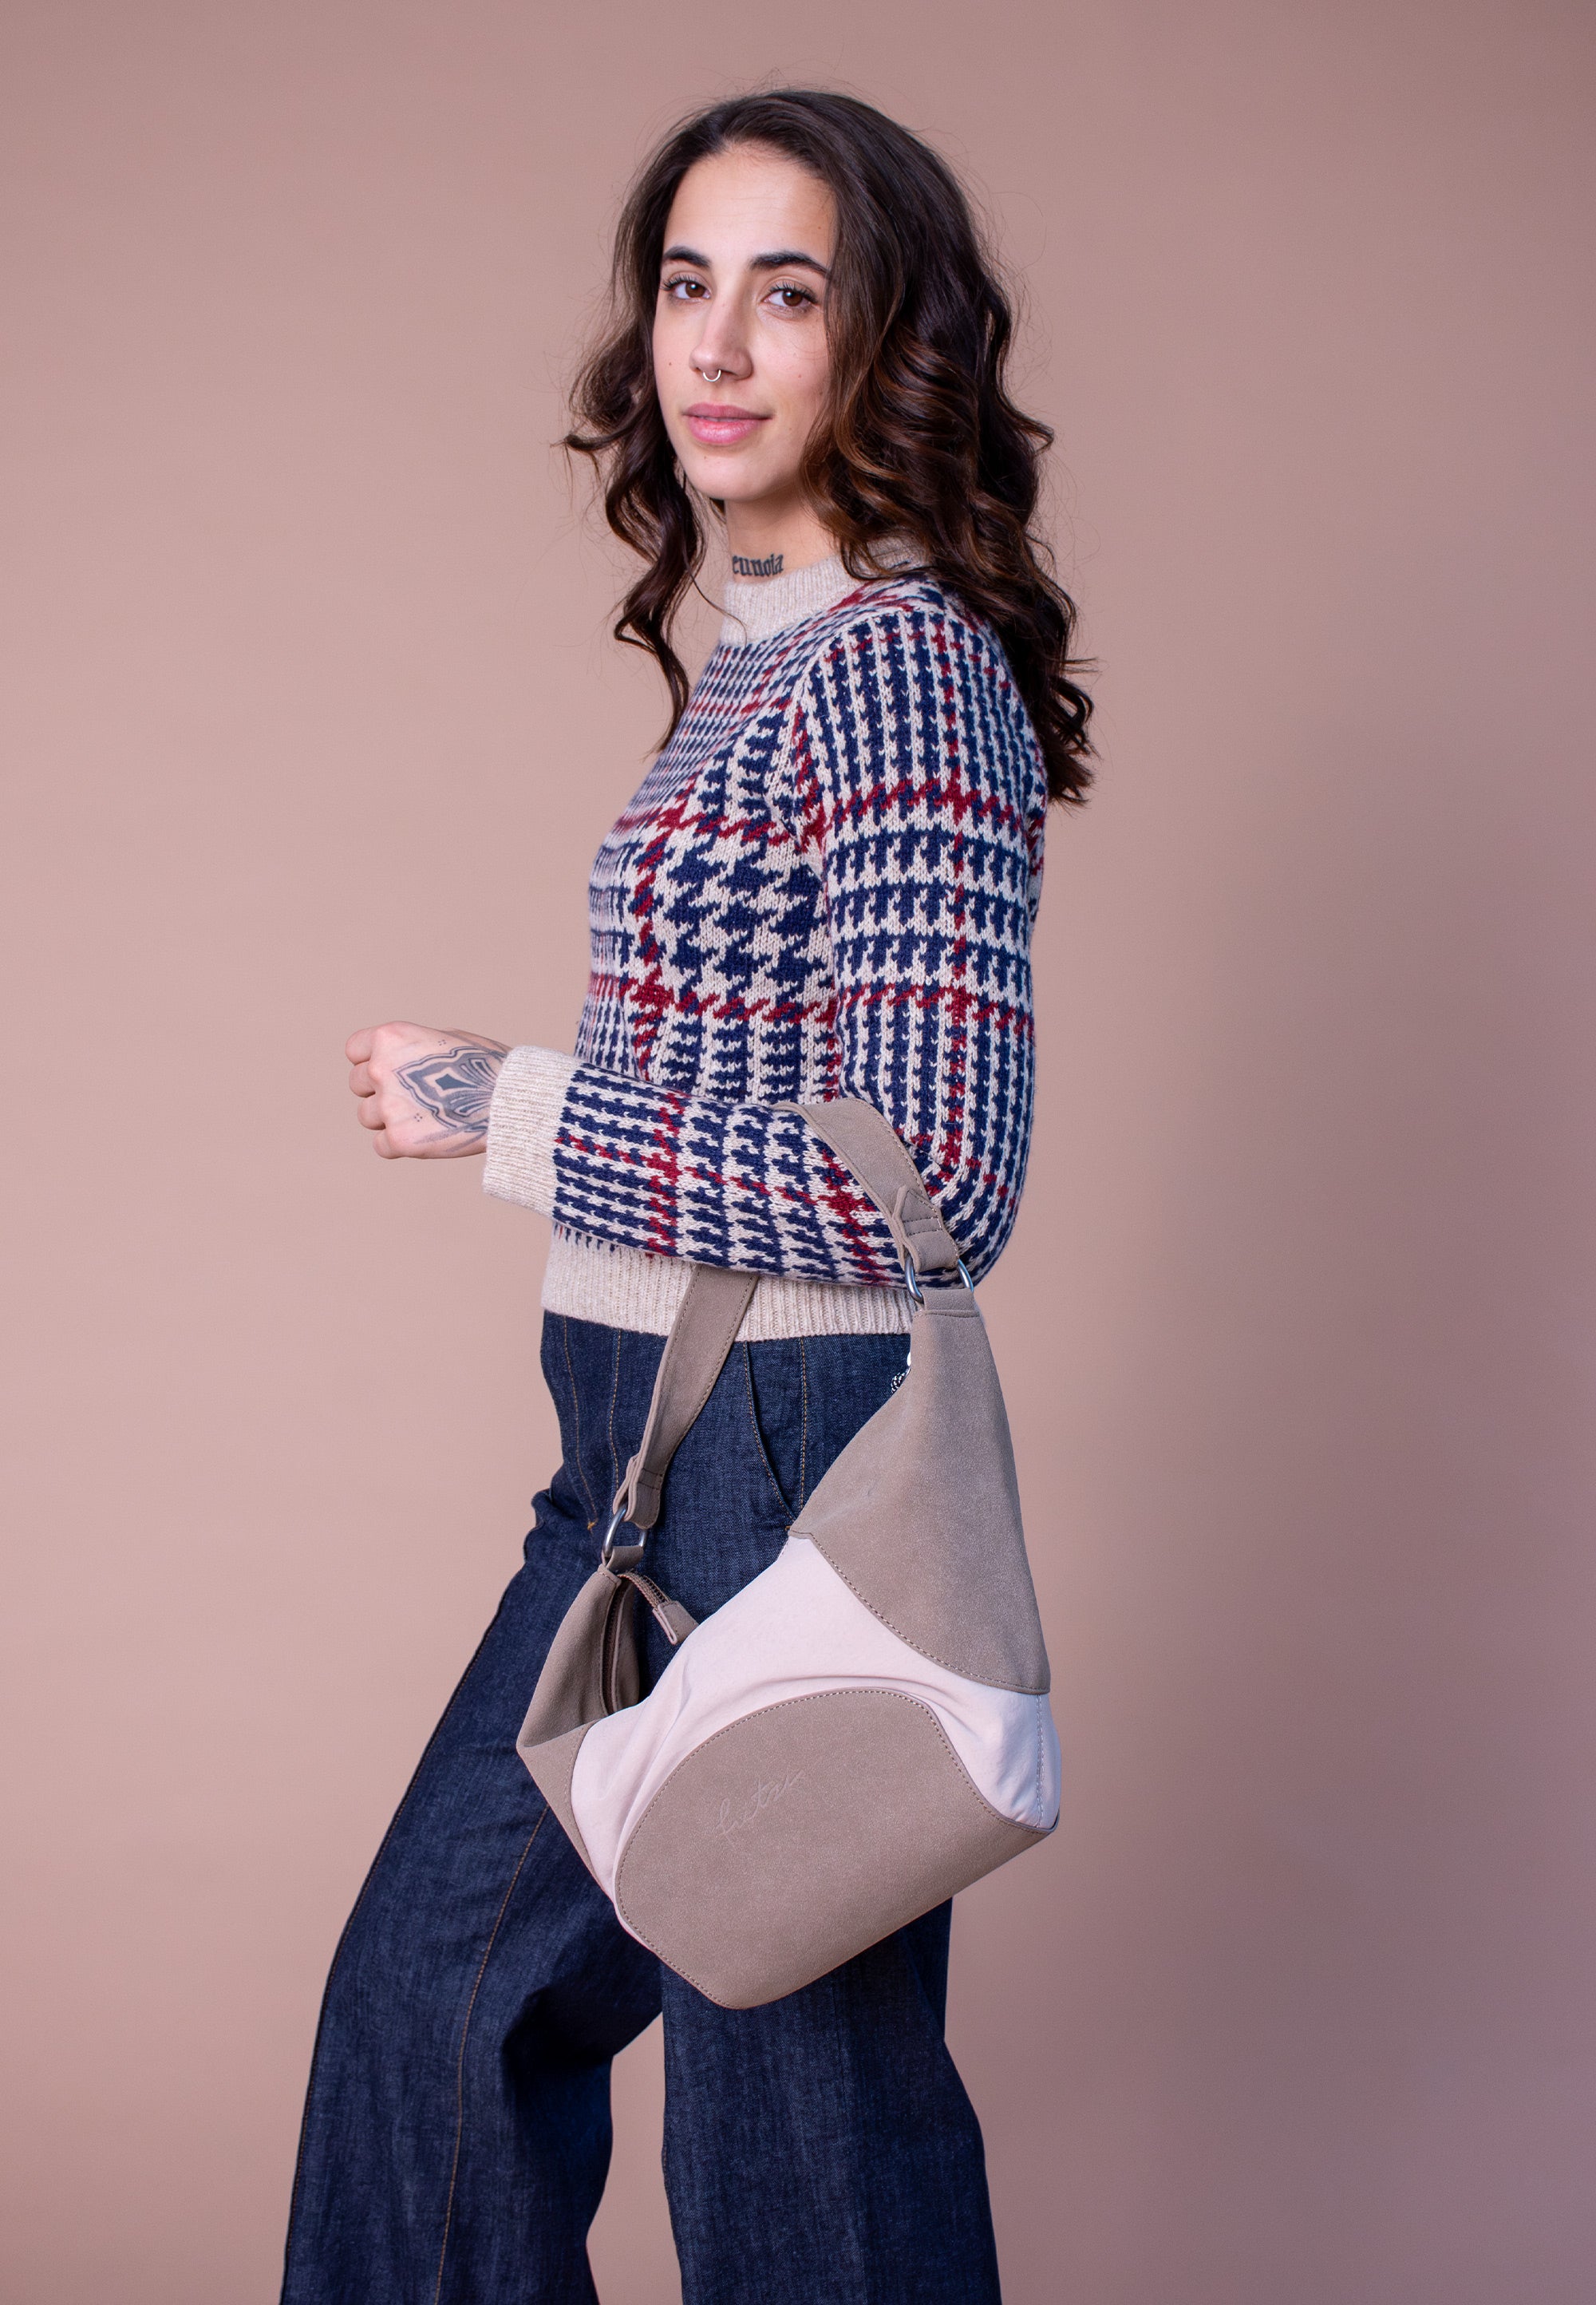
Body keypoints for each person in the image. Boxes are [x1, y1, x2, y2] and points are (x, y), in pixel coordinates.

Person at [282, 87, 1091, 2305]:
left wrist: (507, 1104)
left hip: (785, 1455)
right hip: (640, 1455)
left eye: (789, 293)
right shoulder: (764, 649)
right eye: (685, 284)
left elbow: (934, 1175)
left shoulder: (902, 666)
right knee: (434, 2020)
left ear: (881, 339)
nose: (717, 345)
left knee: (798, 2153)